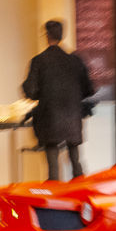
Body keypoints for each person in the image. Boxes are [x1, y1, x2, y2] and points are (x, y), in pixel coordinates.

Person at [22, 19, 93, 181]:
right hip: (72, 117)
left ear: (47, 36)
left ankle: (54, 197)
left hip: (50, 118)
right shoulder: (75, 61)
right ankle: (81, 193)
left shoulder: (39, 61)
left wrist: (44, 93)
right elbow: (89, 89)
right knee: (75, 159)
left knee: (52, 165)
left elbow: (30, 91)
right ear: (62, 35)